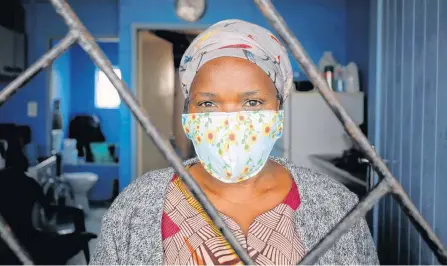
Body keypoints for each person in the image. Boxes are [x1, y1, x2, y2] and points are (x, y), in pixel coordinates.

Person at [92, 19, 378, 265]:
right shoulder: (136, 205)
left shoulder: (335, 206)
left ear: (278, 110)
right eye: (207, 104)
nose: (229, 122)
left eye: (252, 102)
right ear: (188, 113)